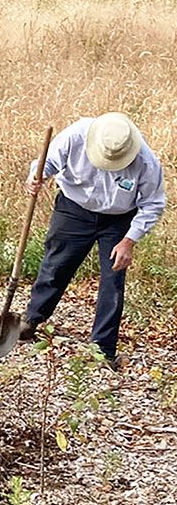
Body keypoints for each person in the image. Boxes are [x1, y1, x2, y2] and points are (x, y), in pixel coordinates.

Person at [20, 112, 166, 367]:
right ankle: (31, 320)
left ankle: (102, 350)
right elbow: (47, 162)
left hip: (118, 219)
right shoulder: (76, 135)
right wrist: (38, 176)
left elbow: (153, 204)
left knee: (113, 280)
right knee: (56, 266)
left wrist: (129, 241)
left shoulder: (145, 160)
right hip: (74, 209)